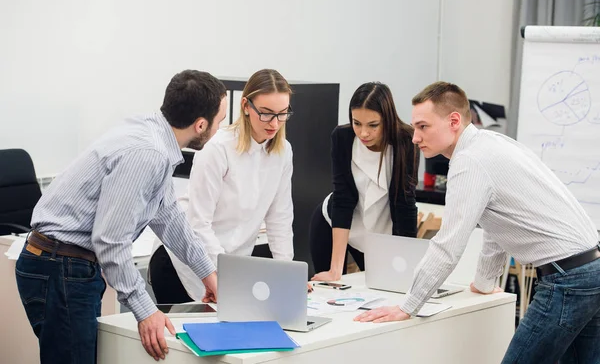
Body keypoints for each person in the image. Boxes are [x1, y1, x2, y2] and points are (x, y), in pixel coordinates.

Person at [354, 81, 600, 364]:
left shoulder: (470, 162)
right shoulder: (493, 144)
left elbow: (447, 247)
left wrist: (408, 306)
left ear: (454, 121)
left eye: (423, 127)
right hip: (591, 267)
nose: (415, 138)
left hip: (567, 278)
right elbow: (499, 224)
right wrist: (484, 282)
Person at [15, 70, 227, 363]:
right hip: (61, 266)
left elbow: (168, 216)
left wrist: (209, 276)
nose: (219, 129)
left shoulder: (154, 134)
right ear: (201, 124)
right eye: (219, 121)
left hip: (64, 264)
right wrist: (145, 310)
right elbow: (111, 241)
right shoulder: (148, 153)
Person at [149, 68, 303, 303]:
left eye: (282, 114)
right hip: (181, 265)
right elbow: (198, 223)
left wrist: (288, 277)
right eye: (266, 113)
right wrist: (226, 276)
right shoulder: (218, 148)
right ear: (245, 106)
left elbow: (280, 218)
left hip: (228, 269)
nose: (274, 123)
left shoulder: (283, 152)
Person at [310, 82, 419, 282]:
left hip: (378, 235)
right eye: (357, 123)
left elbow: (405, 205)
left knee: (387, 287)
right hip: (334, 225)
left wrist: (406, 265)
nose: (363, 133)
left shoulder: (405, 141)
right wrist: (335, 270)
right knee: (332, 292)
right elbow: (343, 200)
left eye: (373, 125)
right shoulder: (342, 138)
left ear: (387, 120)